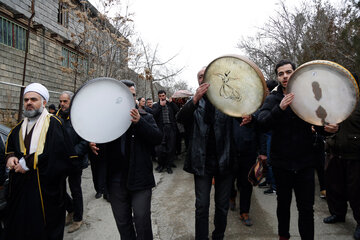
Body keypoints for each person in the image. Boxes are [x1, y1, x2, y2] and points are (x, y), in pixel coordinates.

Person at [257, 60, 338, 240]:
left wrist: (329, 129)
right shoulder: (272, 99)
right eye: (281, 73)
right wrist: (280, 108)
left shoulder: (307, 97)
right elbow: (262, 123)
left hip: (305, 163)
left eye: (288, 72)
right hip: (281, 164)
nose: (285, 76)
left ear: (295, 73)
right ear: (277, 77)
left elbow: (318, 124)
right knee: (283, 205)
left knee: (306, 208)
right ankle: (283, 236)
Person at [90, 80, 162, 240]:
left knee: (142, 222)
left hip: (140, 180)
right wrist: (92, 144)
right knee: (123, 224)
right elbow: (99, 146)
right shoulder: (106, 121)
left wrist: (139, 123)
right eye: (127, 95)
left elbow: (157, 138)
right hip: (116, 181)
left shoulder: (146, 116)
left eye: (134, 95)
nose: (131, 98)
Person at [4, 83, 77, 240]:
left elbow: (60, 155)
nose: (28, 102)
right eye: (26, 100)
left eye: (33, 99)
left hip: (45, 190)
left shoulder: (54, 124)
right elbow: (10, 148)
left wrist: (30, 163)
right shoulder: (17, 128)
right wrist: (10, 158)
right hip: (21, 189)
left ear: (44, 102)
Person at [177, 67, 236, 240]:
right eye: (200, 76)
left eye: (206, 75)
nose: (203, 78)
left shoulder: (226, 99)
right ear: (198, 81)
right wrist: (195, 98)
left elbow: (243, 116)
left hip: (225, 160)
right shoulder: (194, 102)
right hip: (201, 161)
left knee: (222, 206)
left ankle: (218, 235)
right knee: (201, 205)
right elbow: (180, 119)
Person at [323, 74, 360, 240]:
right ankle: (338, 213)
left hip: (355, 155)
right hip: (334, 152)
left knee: (356, 191)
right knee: (334, 187)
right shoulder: (333, 102)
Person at [56, 91, 88, 233]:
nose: (62, 104)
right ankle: (71, 210)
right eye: (61, 101)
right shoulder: (56, 117)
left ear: (71, 102)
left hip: (75, 161)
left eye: (65, 101)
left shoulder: (79, 117)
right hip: (60, 161)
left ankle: (78, 218)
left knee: (75, 189)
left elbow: (85, 139)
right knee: (59, 189)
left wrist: (73, 153)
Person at [230, 113, 267, 226]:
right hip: (230, 152)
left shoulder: (252, 108)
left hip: (248, 152)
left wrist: (263, 152)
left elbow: (261, 129)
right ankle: (232, 195)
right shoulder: (227, 107)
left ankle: (244, 212)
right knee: (229, 180)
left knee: (246, 183)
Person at [152, 90, 179, 174]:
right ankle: (161, 165)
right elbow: (153, 115)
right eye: (160, 96)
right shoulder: (156, 105)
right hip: (161, 129)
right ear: (158, 96)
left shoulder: (169, 104)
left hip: (170, 128)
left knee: (170, 148)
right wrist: (160, 106)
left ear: (165, 95)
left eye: (163, 95)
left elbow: (177, 110)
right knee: (160, 149)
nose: (161, 97)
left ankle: (168, 166)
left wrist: (171, 103)